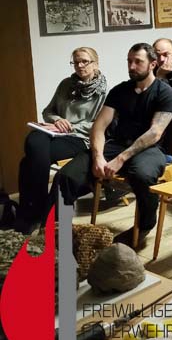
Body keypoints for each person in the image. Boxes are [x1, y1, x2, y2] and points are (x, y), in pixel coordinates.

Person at [52, 43, 172, 249]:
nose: (132, 66)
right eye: (129, 61)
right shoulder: (120, 90)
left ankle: (144, 226)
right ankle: (59, 232)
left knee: (142, 175)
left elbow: (155, 133)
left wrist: (121, 159)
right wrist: (98, 156)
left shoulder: (165, 92)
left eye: (138, 62)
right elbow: (99, 126)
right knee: (65, 177)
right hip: (116, 144)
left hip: (149, 149)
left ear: (153, 64)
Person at [14, 47, 107, 234]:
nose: (80, 66)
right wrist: (57, 120)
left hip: (79, 138)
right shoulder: (66, 84)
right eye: (76, 62)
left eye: (85, 61)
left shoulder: (104, 92)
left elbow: (99, 125)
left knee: (26, 163)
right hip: (55, 132)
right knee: (33, 140)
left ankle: (29, 214)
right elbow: (48, 111)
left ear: (96, 64)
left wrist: (70, 127)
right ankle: (38, 208)